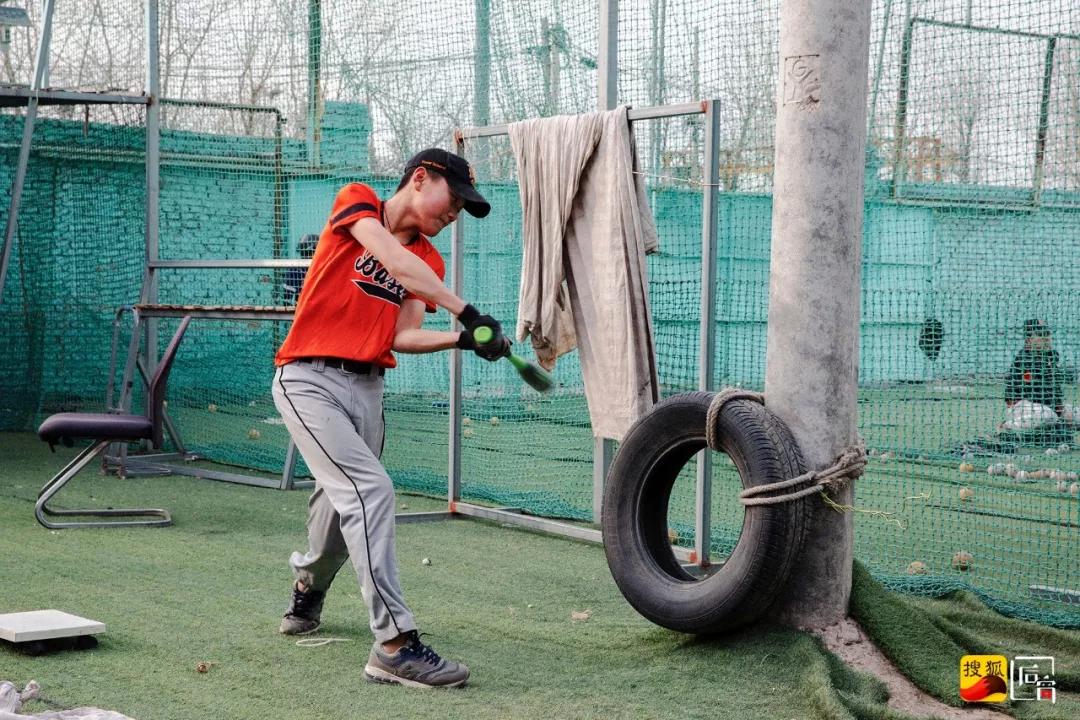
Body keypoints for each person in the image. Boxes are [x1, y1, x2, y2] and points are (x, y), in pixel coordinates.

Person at [270, 148, 510, 689]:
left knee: (340, 505)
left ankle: (308, 587)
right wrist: (467, 312)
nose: (456, 215)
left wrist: (462, 339)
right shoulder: (357, 203)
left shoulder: (432, 260)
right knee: (370, 491)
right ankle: (394, 645)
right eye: (455, 200)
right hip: (307, 378)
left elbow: (401, 334)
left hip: (367, 389)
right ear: (420, 178)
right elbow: (399, 264)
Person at [1000, 319, 1077, 444]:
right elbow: (1035, 394)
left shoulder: (1049, 358)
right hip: (1021, 406)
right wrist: (1060, 413)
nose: (1046, 338)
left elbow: (1054, 390)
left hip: (1046, 407)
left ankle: (1047, 432)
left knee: (1075, 415)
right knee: (1048, 415)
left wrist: (1061, 409)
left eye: (1047, 334)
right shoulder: (1025, 360)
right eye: (1040, 335)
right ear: (1029, 339)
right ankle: (1006, 427)